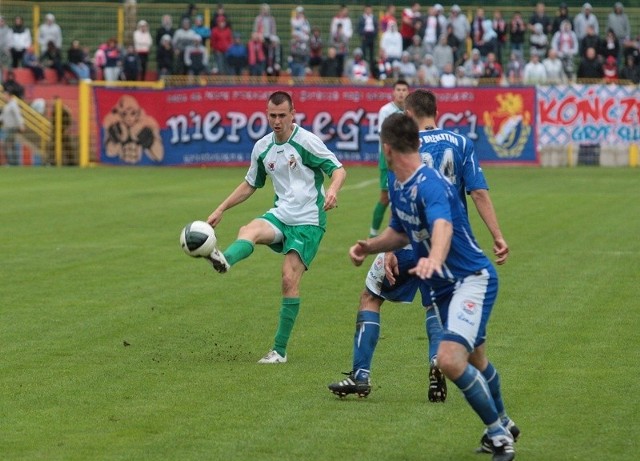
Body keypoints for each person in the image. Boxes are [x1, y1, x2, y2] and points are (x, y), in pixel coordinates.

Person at [343, 110, 517, 461]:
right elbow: (400, 232)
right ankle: (506, 423)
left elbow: (443, 226)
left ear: (387, 148)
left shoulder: (430, 182)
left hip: (469, 280)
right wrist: (369, 246)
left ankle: (498, 434)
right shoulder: (397, 183)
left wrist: (435, 258)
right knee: (477, 360)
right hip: (443, 288)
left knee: (449, 359)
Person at [329, 89, 509, 405]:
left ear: (408, 116)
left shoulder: (405, 146)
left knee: (371, 296)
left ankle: (361, 375)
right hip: (447, 244)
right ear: (435, 112)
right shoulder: (462, 143)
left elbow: (397, 199)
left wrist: (383, 250)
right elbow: (478, 193)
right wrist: (497, 235)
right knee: (435, 305)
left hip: (408, 238)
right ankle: (436, 363)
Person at [205, 91, 346, 364]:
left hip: (308, 221)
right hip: (281, 214)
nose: (277, 121)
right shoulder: (262, 147)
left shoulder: (307, 142)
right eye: (272, 115)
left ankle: (279, 351)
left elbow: (338, 169)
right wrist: (221, 208)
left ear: (293, 114)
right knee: (249, 229)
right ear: (266, 114)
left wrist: (333, 190)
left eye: (282, 115)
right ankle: (224, 260)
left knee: (287, 279)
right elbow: (250, 184)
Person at [369, 79, 410, 238]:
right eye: (398, 89)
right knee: (385, 197)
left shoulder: (410, 111)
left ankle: (399, 235)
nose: (401, 93)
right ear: (393, 92)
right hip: (389, 158)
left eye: (404, 90)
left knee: (404, 196)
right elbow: (384, 135)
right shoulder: (386, 110)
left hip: (406, 158)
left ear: (408, 92)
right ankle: (373, 234)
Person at [0, 88, 26, 165]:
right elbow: (3, 117)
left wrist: (21, 125)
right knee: (12, 145)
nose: (4, 96)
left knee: (6, 144)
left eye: (5, 94)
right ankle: (15, 163)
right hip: (7, 128)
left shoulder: (13, 104)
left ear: (9, 96)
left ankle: (11, 162)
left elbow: (18, 115)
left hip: (12, 128)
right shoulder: (8, 105)